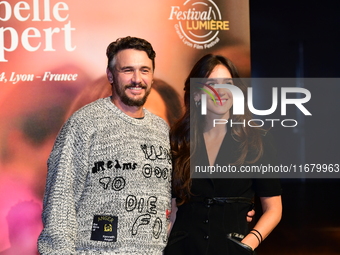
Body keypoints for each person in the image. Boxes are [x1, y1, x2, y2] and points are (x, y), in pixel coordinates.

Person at [38, 36, 172, 254]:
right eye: (127, 70)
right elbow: (59, 206)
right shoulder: (84, 123)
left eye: (144, 70)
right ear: (111, 75)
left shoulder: (161, 130)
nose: (137, 79)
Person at [164, 54, 282, 255]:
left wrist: (248, 244)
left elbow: (273, 209)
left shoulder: (256, 140)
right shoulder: (178, 140)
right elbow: (174, 208)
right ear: (196, 94)